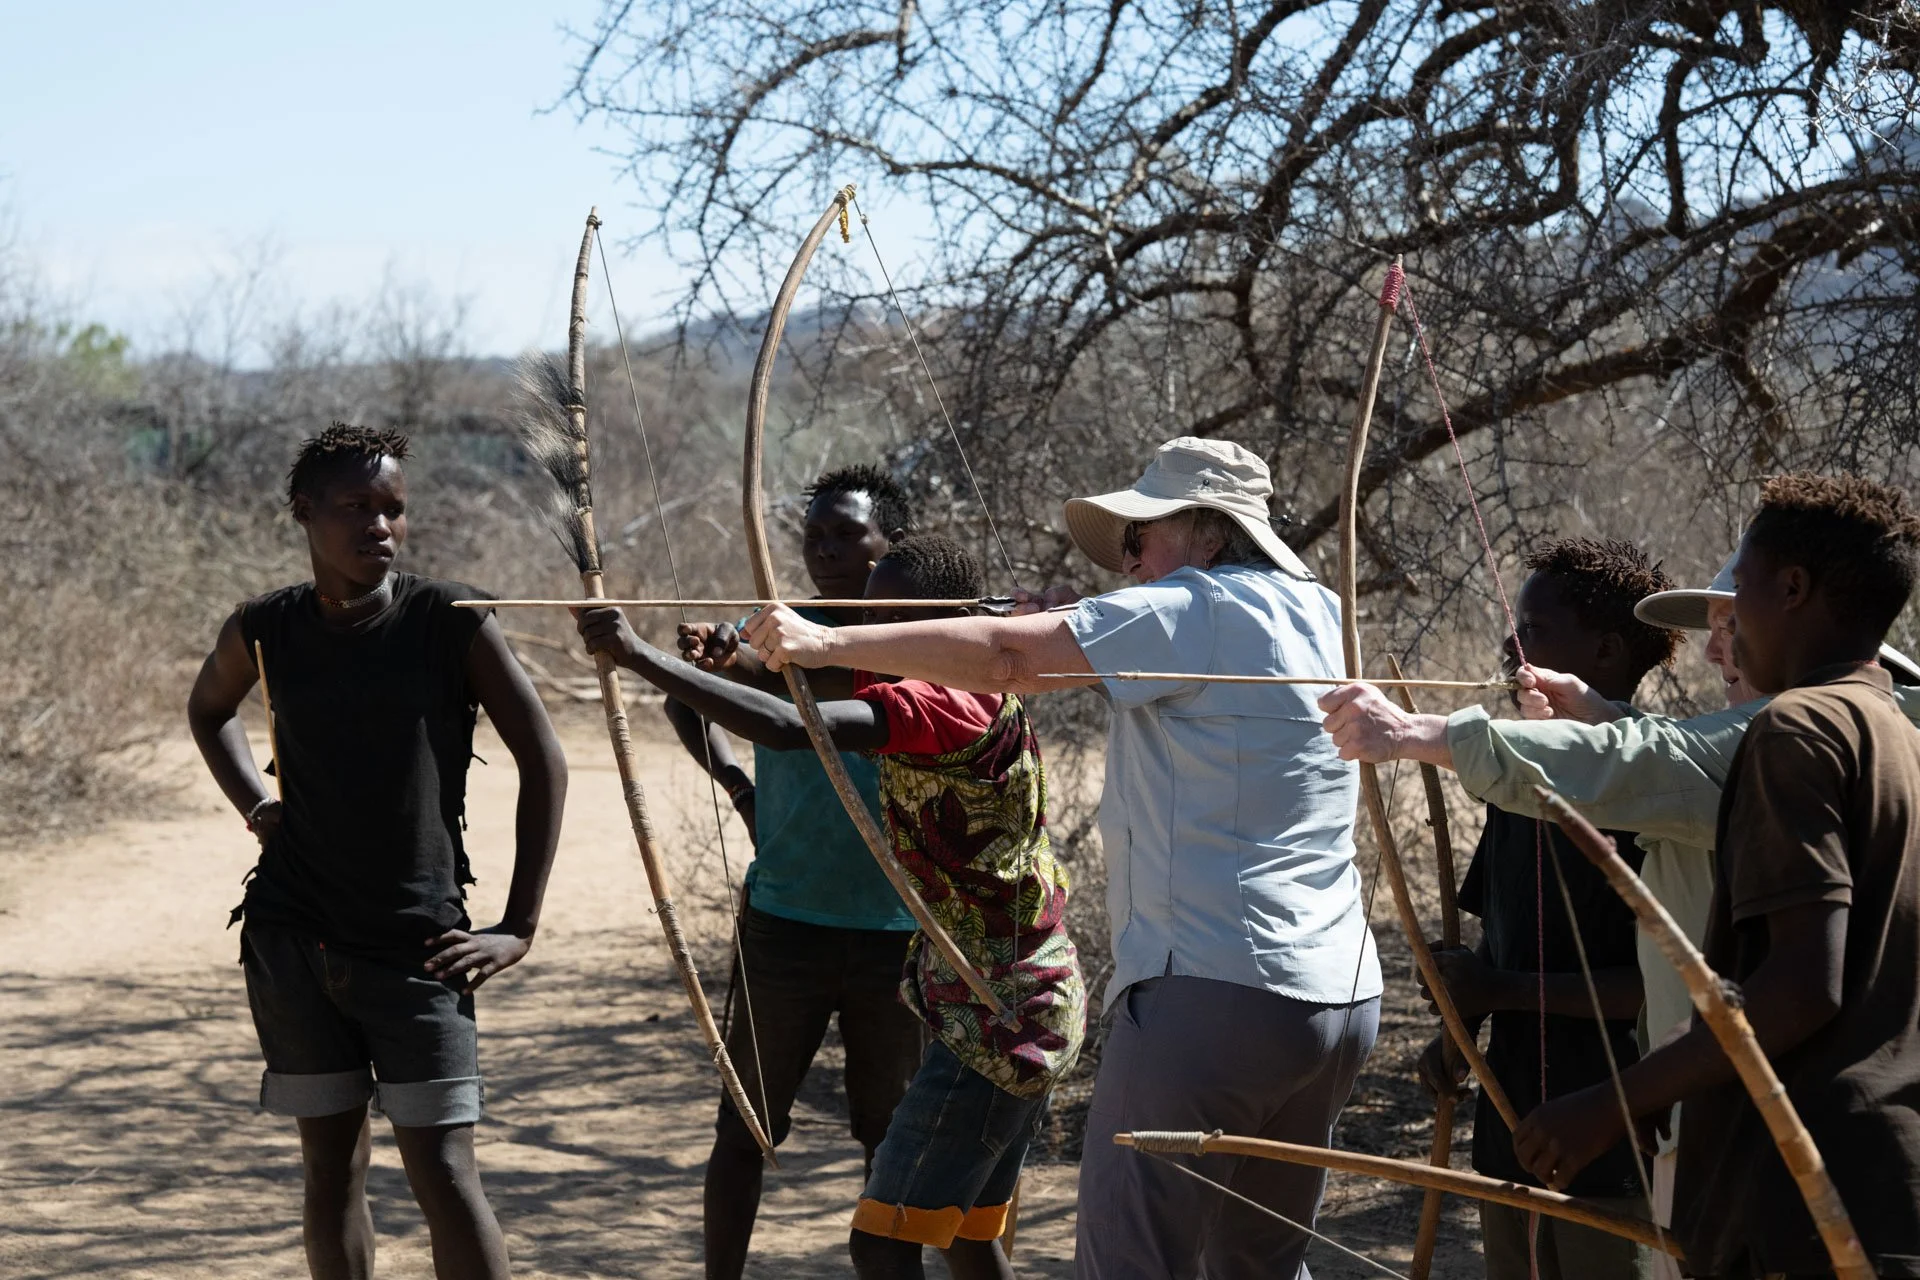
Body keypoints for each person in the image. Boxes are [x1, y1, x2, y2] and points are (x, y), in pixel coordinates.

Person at [743, 436, 1380, 1280]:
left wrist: (826, 645)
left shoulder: (1192, 605)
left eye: (1139, 539)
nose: (1129, 561)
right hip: (1339, 1000)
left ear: (1209, 534)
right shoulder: (1320, 609)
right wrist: (1045, 629)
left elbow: (1008, 659)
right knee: (1260, 1266)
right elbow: (1024, 667)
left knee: (1133, 1262)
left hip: (1216, 995)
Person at [1319, 554, 1920, 1279]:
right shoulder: (1860, 730)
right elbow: (1670, 762)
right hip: (1757, 1140)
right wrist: (1602, 718)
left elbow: (1656, 769)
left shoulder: (1800, 738)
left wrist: (1416, 734)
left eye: (1734, 623)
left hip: (1807, 1153)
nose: (1714, 647)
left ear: (1796, 608)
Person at [578, 534, 1085, 1280]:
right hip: (1017, 1001)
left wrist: (635, 655)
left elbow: (793, 727)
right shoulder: (975, 684)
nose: (873, 636)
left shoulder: (941, 700)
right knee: (970, 1238)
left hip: (1000, 1019)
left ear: (949, 622)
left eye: (891, 619)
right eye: (867, 616)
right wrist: (740, 663)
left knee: (882, 1244)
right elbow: (795, 693)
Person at [1510, 474, 1920, 1278]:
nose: (1711, 644)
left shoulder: (1795, 727)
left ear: (1793, 590)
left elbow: (1803, 984)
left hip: (1807, 1190)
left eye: (1739, 606)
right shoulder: (1896, 728)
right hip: (1879, 1177)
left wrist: (1610, 1103)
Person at [185, 424, 567, 1280]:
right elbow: (207, 711)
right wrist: (257, 803)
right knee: (332, 1171)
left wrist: (518, 923)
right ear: (303, 512)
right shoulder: (265, 628)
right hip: (292, 942)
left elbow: (544, 757)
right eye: (356, 507)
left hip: (418, 947)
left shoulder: (449, 620)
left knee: (444, 1171)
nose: (380, 527)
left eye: (393, 508)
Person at [659, 463, 926, 1279]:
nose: (827, 551)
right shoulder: (774, 631)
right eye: (814, 536)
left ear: (892, 544)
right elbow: (689, 698)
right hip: (786, 923)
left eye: (849, 534)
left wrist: (756, 669)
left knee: (891, 1139)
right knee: (744, 1128)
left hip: (902, 933)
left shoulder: (919, 635)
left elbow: (806, 705)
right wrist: (740, 789)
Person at [1415, 539, 1677, 1280]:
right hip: (1511, 1129)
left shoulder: (1650, 800)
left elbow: (1651, 983)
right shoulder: (1515, 784)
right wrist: (1456, 1037)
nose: (1513, 643)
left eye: (1534, 629)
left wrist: (1496, 992)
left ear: (1604, 650)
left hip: (1614, 1137)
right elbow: (1496, 947)